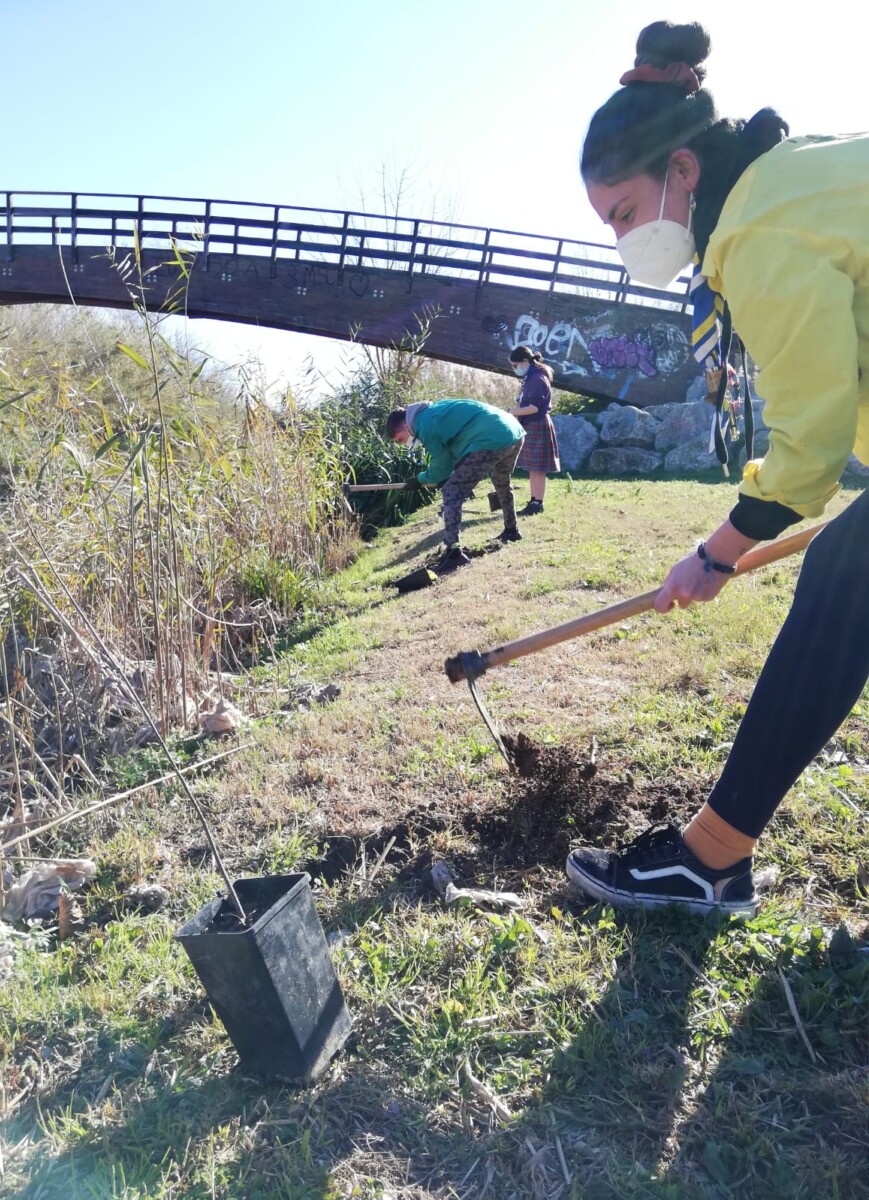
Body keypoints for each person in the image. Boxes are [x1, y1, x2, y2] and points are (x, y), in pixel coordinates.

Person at [565, 19, 869, 916]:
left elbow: (809, 448)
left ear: (682, 171)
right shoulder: (787, 175)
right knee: (847, 574)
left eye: (623, 214)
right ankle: (712, 854)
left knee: (844, 576)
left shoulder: (759, 228)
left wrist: (715, 553)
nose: (623, 240)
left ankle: (707, 858)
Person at [386, 399, 525, 572]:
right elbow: (451, 452)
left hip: (490, 439)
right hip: (513, 431)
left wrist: (419, 480)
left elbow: (441, 466)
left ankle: (453, 554)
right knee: (501, 480)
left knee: (452, 490)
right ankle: (512, 530)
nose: (403, 443)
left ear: (405, 427)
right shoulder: (432, 412)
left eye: (400, 440)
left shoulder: (424, 426)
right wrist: (444, 475)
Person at [508, 346, 562, 515]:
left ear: (525, 362)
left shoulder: (537, 379)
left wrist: (511, 411)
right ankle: (534, 501)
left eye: (515, 365)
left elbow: (534, 407)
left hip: (537, 423)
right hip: (532, 424)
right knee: (533, 467)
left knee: (538, 467)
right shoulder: (531, 376)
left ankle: (537, 503)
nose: (514, 369)